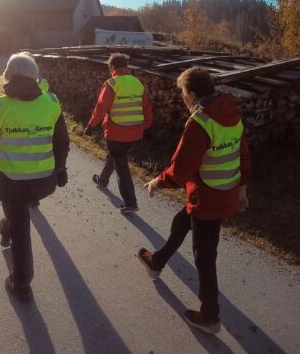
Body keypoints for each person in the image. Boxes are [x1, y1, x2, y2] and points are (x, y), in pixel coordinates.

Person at [138, 67, 251, 334]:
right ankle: (156, 262)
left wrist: (157, 182)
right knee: (181, 221)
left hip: (208, 199)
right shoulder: (231, 115)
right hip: (226, 192)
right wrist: (242, 189)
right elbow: (243, 154)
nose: (182, 98)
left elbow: (181, 170)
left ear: (191, 93)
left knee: (204, 257)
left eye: (182, 93)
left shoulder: (200, 122)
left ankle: (210, 318)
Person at [0, 52, 69, 303]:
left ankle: (22, 281)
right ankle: (6, 228)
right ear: (35, 76)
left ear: (9, 75)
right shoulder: (52, 102)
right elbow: (61, 142)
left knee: (20, 226)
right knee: (18, 216)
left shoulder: (0, 106)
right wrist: (61, 168)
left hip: (11, 181)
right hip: (42, 181)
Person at [84, 52, 152, 214]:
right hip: (135, 131)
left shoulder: (112, 83)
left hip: (117, 131)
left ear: (112, 67)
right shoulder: (137, 83)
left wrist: (90, 125)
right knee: (115, 155)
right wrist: (145, 126)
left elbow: (101, 108)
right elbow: (147, 108)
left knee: (120, 163)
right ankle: (102, 181)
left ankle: (130, 202)